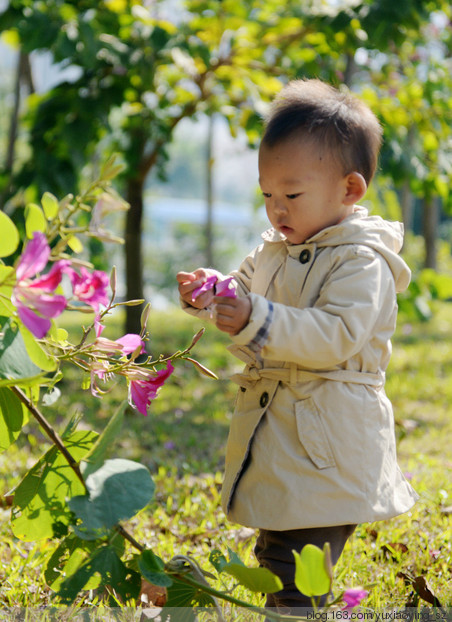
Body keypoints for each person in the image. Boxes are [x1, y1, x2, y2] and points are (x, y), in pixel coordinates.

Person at [176, 79, 418, 612]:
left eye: (291, 195)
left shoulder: (361, 262)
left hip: (327, 442)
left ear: (349, 190)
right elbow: (242, 290)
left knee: (292, 572)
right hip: (283, 442)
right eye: (266, 195)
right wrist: (210, 292)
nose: (276, 210)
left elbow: (335, 335)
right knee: (276, 551)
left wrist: (255, 318)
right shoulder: (277, 250)